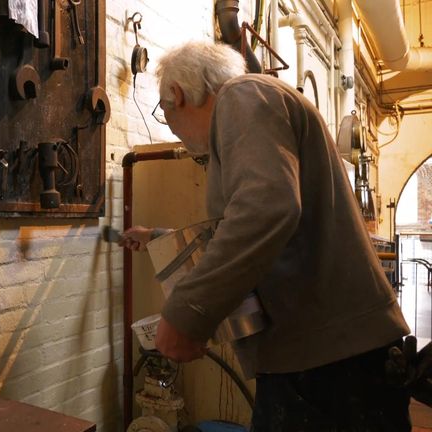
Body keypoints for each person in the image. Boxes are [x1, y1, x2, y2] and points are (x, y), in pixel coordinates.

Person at [119, 40, 411, 431]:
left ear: (176, 94)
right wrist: (157, 236)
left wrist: (186, 313)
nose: (172, 128)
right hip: (325, 358)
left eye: (164, 114)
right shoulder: (256, 103)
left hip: (327, 366)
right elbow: (250, 223)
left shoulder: (242, 95)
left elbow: (265, 209)